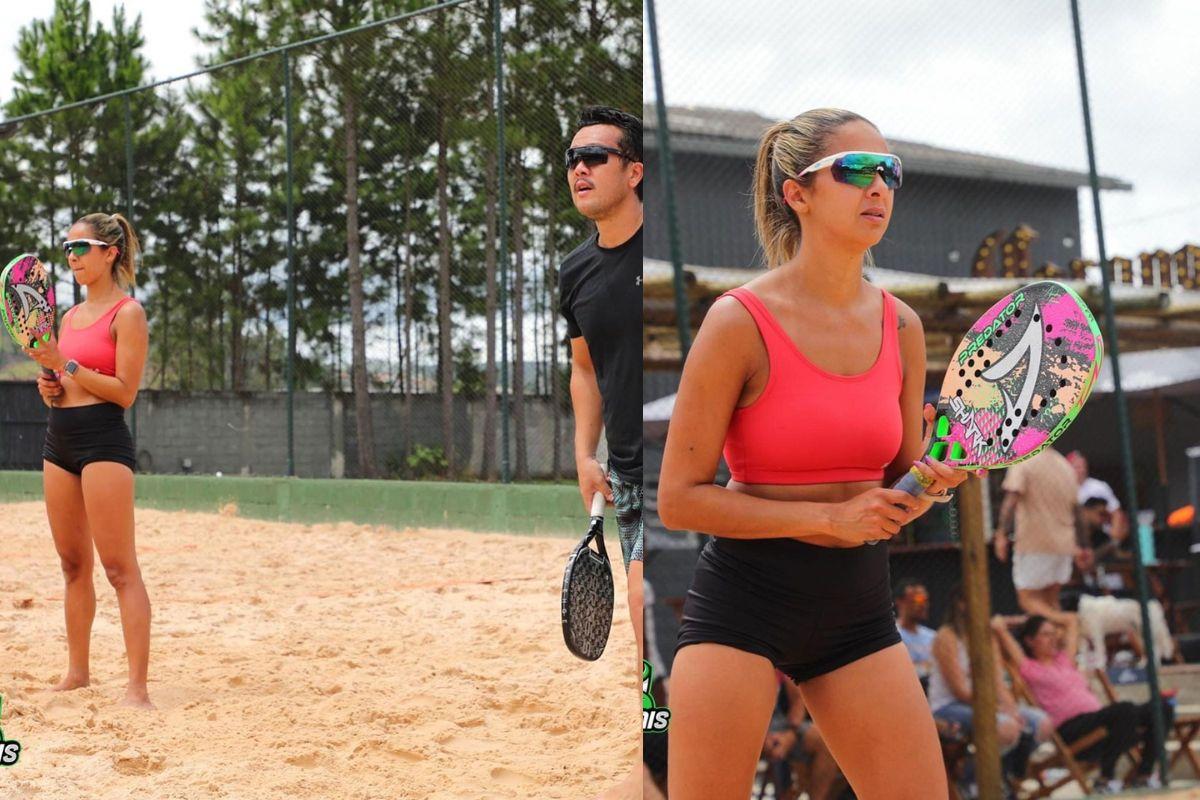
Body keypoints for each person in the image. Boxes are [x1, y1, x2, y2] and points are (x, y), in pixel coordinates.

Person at [658, 108, 971, 799]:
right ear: (796, 193)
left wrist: (936, 480)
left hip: (858, 609)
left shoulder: (902, 325)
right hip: (743, 604)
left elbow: (900, 487)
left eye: (889, 171)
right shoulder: (737, 321)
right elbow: (678, 500)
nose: (878, 186)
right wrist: (827, 520)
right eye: (855, 170)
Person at [23, 212, 152, 709]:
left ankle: (137, 688)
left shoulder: (128, 313)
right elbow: (63, 383)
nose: (71, 257)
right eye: (67, 249)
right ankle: (78, 673)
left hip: (103, 442)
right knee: (73, 565)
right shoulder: (69, 317)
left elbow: (124, 392)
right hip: (60, 440)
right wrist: (51, 385)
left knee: (119, 569)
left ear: (110, 253)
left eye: (81, 248)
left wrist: (66, 364)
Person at [558, 106, 642, 799]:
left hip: (706, 473)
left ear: (634, 171)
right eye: (572, 158)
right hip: (633, 479)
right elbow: (584, 369)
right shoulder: (576, 270)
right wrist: (586, 454)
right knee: (654, 641)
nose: (579, 168)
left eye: (595, 157)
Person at [992, 614, 1171, 792]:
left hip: (1100, 720)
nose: (1053, 639)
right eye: (1046, 634)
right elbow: (998, 626)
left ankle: (1143, 774)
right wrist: (1013, 622)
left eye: (1054, 633)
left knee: (1161, 707)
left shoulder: (1064, 660)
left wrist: (1024, 619)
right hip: (1072, 729)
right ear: (1030, 641)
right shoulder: (1029, 667)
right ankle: (1106, 777)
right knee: (1124, 710)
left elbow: (1071, 621)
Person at [927, 587, 1053, 783]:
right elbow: (960, 690)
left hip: (985, 703)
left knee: (1041, 723)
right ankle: (971, 781)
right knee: (1006, 727)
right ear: (960, 604)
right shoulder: (946, 636)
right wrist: (996, 708)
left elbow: (998, 682)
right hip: (949, 706)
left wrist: (1011, 709)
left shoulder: (987, 636)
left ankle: (1006, 777)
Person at [994, 447, 1085, 626]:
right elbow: (1077, 511)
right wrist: (1082, 545)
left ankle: (1069, 622)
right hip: (1063, 545)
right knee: (1051, 602)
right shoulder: (1064, 466)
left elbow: (1011, 500)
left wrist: (1001, 534)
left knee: (1027, 599)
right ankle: (1066, 640)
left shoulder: (1024, 459)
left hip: (1034, 543)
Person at [762, 671, 848, 800]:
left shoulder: (779, 667)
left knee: (826, 742)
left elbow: (798, 700)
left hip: (780, 727)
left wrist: (791, 735)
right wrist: (761, 738)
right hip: (749, 728)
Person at [894, 578, 937, 689]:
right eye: (918, 599)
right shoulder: (891, 636)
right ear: (900, 602)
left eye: (925, 600)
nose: (923, 605)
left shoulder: (932, 637)